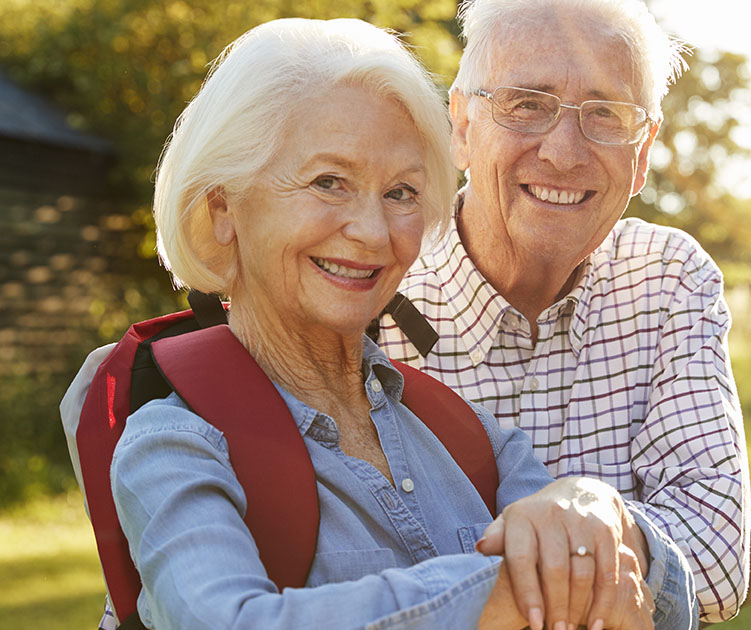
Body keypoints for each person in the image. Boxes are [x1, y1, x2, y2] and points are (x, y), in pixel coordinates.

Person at [75, 17, 696, 630]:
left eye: (401, 192)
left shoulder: (472, 439)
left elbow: (660, 607)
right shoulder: (173, 445)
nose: (372, 232)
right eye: (328, 182)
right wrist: (512, 587)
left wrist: (607, 520)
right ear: (222, 212)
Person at [375, 0, 750, 623]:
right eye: (528, 102)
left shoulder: (668, 277)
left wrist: (591, 513)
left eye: (606, 113)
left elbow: (716, 560)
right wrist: (620, 543)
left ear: (644, 150)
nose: (565, 151)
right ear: (462, 126)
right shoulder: (375, 278)